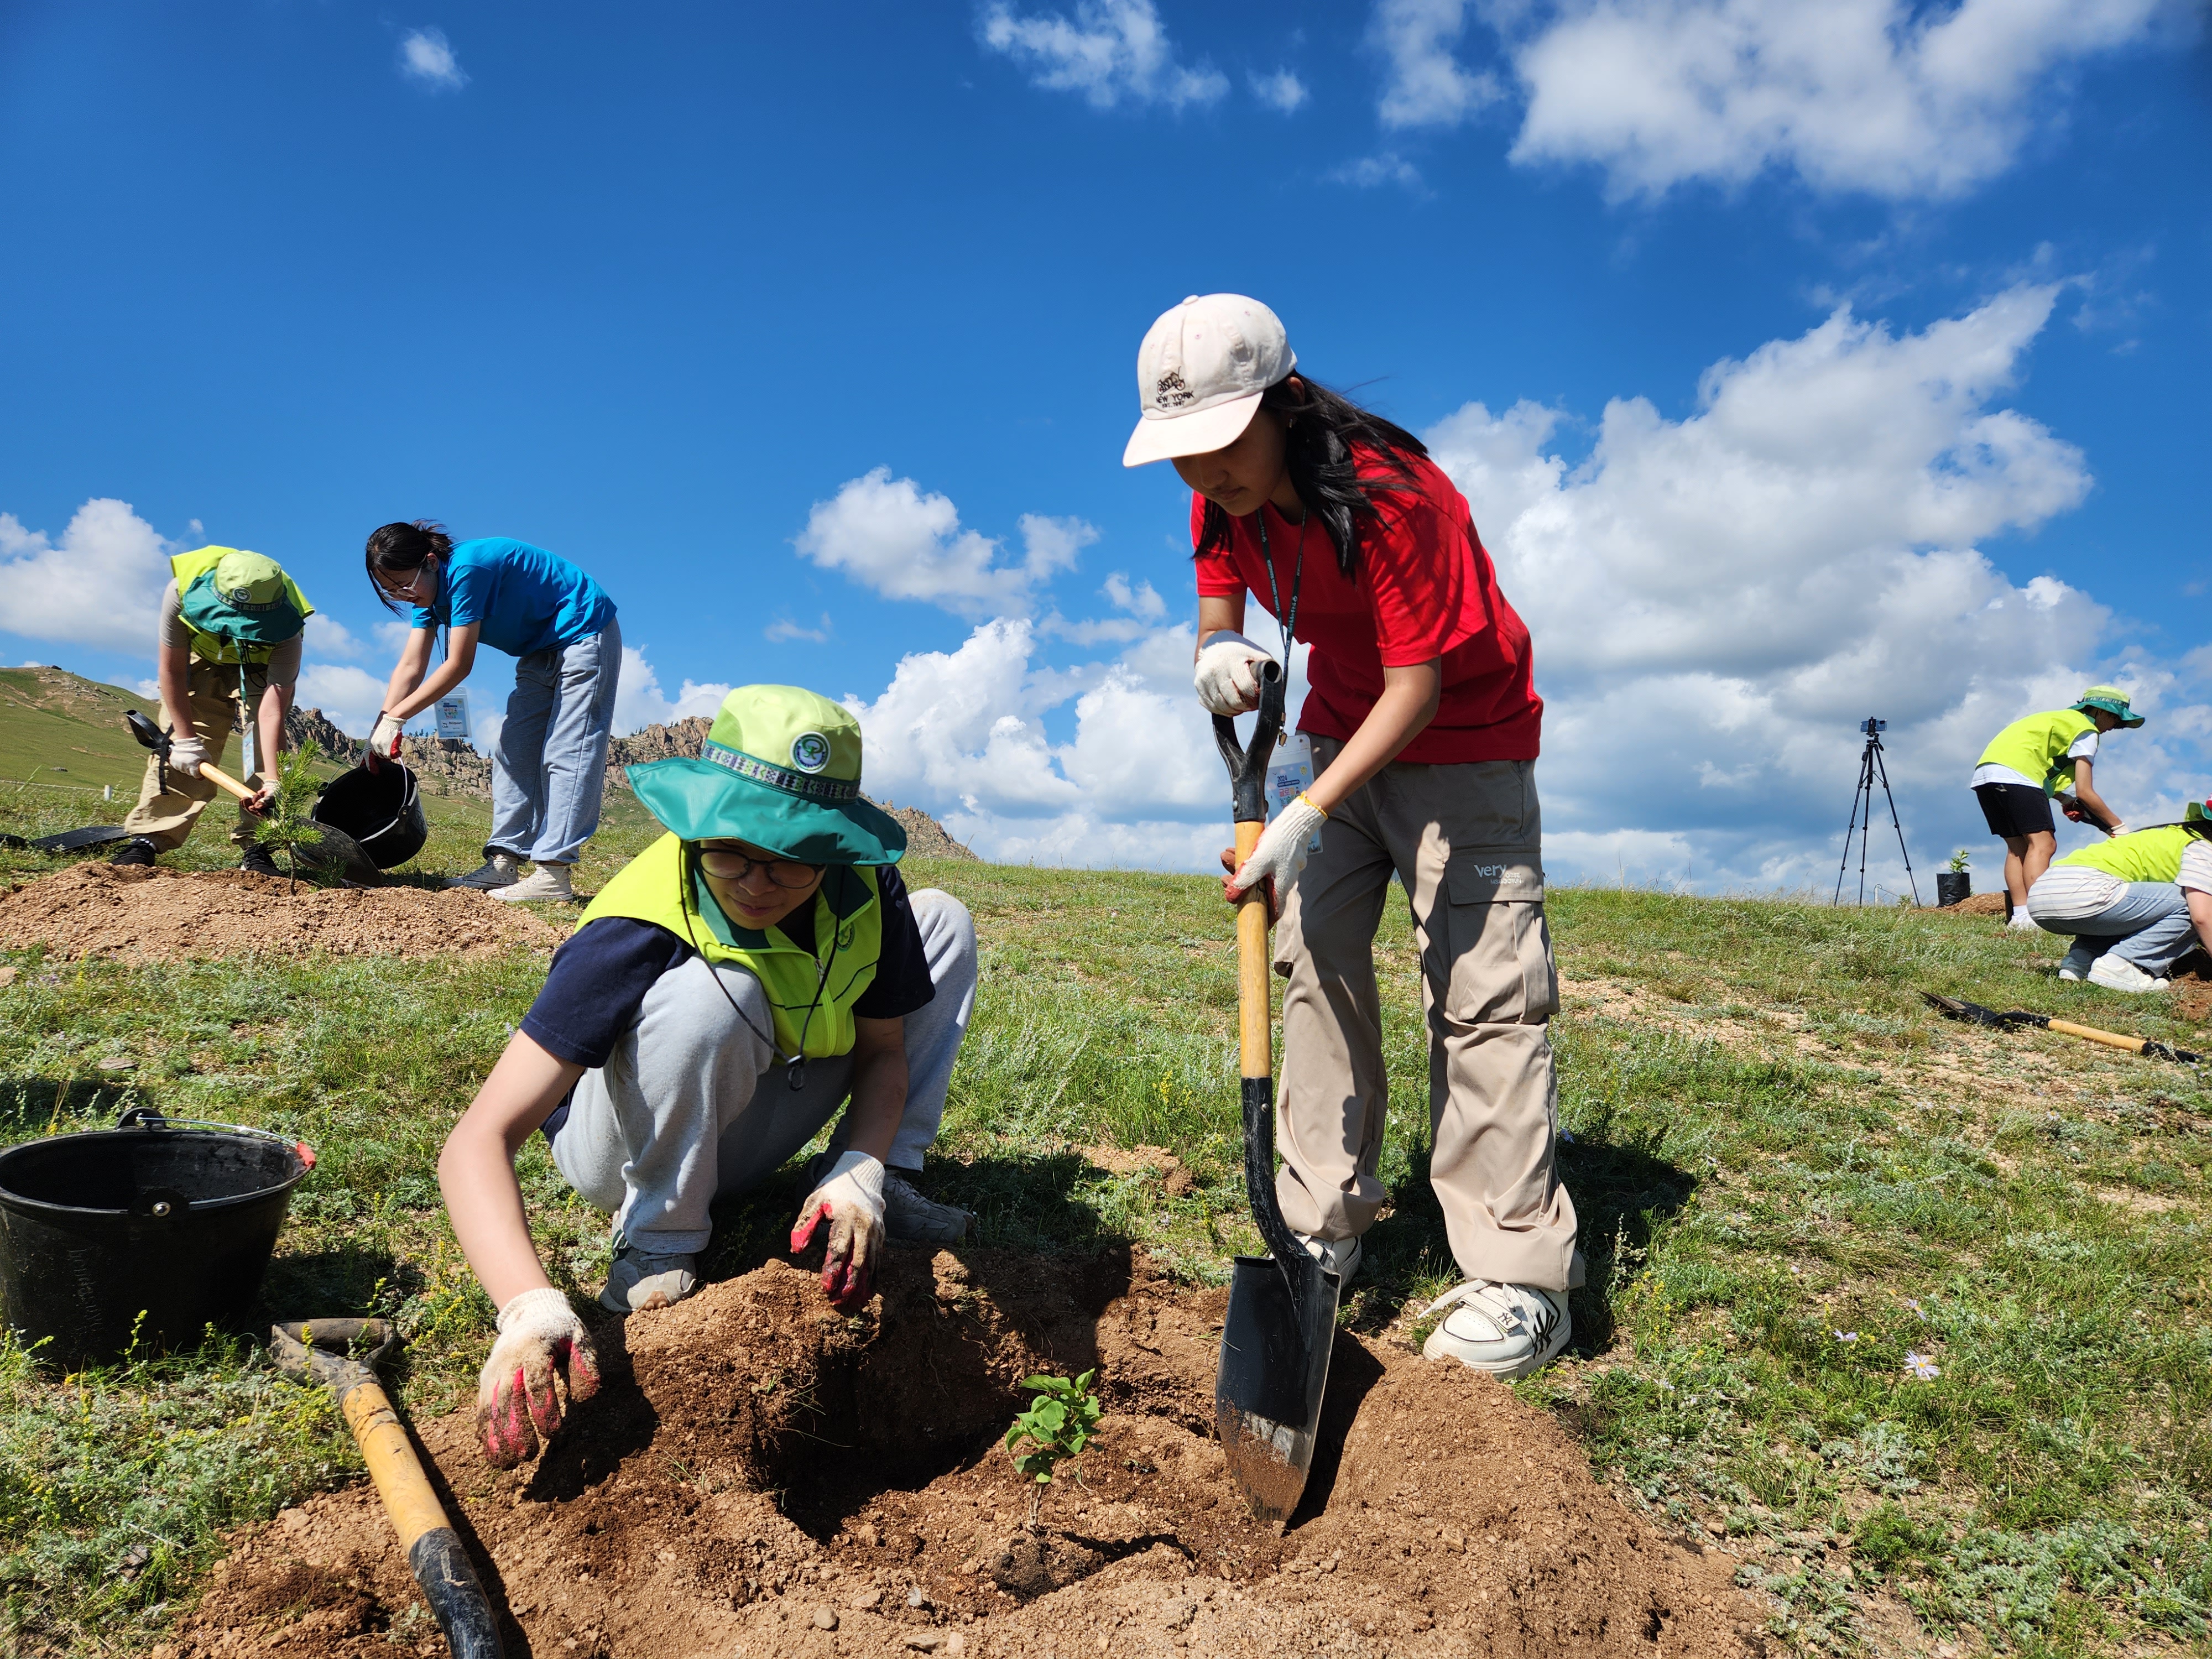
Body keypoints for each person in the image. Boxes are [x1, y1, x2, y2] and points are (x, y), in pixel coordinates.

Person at [1123, 293, 1578, 1382]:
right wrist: (1215, 655)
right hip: (1335, 727)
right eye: (1181, 454)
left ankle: (1519, 1277)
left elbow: (1417, 687)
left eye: (1221, 443)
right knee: (1310, 961)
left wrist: (1309, 809)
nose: (1205, 473)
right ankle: (1315, 1229)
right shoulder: (1217, 498)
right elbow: (1218, 611)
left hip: (1462, 742)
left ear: (1282, 403)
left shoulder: (1394, 499)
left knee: (1479, 985)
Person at [437, 685, 977, 1467]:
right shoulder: (633, 923)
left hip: (754, 1103)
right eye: (730, 850)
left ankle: (878, 1182)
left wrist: (859, 1164)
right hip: (622, 1146)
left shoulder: (863, 885)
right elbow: (476, 1141)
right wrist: (528, 1307)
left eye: (792, 863)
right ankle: (657, 1244)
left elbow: (884, 1051)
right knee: (711, 994)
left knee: (942, 920)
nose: (758, 883)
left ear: (833, 847)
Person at [365, 521, 620, 904]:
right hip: (539, 649)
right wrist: (378, 730)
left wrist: (398, 718)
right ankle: (504, 864)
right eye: (391, 591)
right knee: (513, 749)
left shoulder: (468, 570)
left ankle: (553, 873)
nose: (402, 596)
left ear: (431, 562)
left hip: (585, 631)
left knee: (569, 749)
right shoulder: (429, 598)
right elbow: (410, 667)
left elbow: (458, 665)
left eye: (403, 585)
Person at [110, 547, 312, 874]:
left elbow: (272, 711)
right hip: (201, 661)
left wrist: (274, 780)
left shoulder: (289, 629)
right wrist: (188, 742)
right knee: (180, 747)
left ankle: (259, 846)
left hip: (259, 667)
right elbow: (172, 671)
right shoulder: (181, 591)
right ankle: (150, 837)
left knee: (268, 756)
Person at [1971, 687, 2141, 930]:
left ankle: (2021, 919)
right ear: (2100, 711)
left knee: (2018, 848)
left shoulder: (2058, 720)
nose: (2116, 725)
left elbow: (2036, 764)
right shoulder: (2086, 730)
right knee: (2043, 845)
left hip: (1986, 776)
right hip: (2018, 776)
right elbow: (2086, 792)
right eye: (2116, 718)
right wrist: (2119, 828)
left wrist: (2063, 799)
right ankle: (2040, 916)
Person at [2026, 810, 2210, 992]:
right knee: (2195, 905)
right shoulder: (2203, 847)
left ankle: (2082, 960)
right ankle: (2122, 966)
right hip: (2085, 893)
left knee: (2138, 908)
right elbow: (2202, 917)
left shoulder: (2170, 835)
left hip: (2042, 899)